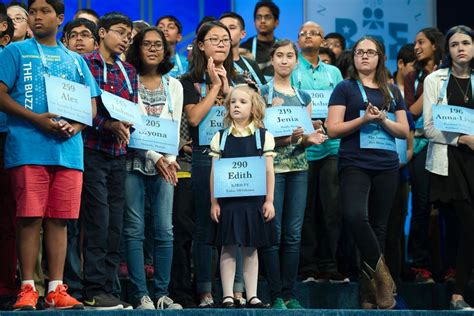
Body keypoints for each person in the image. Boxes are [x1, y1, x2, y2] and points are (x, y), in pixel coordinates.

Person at [0, 0, 100, 310]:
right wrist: (36, 118)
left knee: (60, 220)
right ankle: (28, 287)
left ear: (59, 18)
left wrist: (77, 125)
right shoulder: (14, 52)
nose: (37, 17)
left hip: (68, 151)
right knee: (29, 218)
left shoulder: (74, 59)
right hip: (28, 146)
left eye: (44, 11)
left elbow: (92, 105)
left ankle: (56, 288)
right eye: (33, 11)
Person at [326, 36, 409, 310]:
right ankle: (384, 278)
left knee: (379, 228)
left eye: (370, 52)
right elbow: (333, 128)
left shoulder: (393, 91)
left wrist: (383, 119)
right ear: (354, 57)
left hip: (386, 164)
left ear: (379, 57)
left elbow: (404, 131)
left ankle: (369, 295)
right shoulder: (345, 88)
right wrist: (363, 119)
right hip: (354, 162)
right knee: (354, 216)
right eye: (360, 52)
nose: (364, 56)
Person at [180, 20, 244, 308]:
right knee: (206, 225)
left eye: (225, 40)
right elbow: (194, 119)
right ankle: (205, 290)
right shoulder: (187, 81)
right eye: (214, 38)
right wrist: (215, 86)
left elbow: (243, 120)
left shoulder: (241, 80)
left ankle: (234, 290)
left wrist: (228, 87)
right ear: (201, 45)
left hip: (237, 157)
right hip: (204, 157)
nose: (221, 43)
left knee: (235, 225)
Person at [260, 39, 327, 309]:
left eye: (289, 56)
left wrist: (311, 138)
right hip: (272, 169)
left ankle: (290, 293)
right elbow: (259, 138)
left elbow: (305, 138)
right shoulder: (263, 94)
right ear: (272, 60)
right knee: (273, 233)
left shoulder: (303, 97)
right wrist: (288, 137)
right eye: (279, 55)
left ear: (296, 61)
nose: (285, 60)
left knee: (293, 235)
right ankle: (275, 294)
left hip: (299, 169)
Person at [123, 26, 183, 310]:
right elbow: (129, 126)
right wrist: (153, 156)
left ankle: (161, 293)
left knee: (165, 230)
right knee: (134, 229)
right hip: (133, 160)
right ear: (138, 48)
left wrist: (169, 160)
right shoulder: (127, 79)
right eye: (146, 44)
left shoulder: (175, 85)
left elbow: (174, 127)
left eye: (158, 45)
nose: (153, 49)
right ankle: (140, 294)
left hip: (166, 166)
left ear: (165, 50)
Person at [81, 12, 137, 310]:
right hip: (91, 150)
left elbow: (134, 111)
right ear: (101, 33)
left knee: (116, 223)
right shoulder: (85, 64)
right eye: (119, 32)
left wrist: (128, 125)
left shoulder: (128, 70)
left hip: (118, 154)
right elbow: (80, 108)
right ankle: (92, 289)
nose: (125, 38)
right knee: (98, 221)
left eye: (128, 34)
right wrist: (108, 123)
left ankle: (109, 287)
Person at [209, 84, 277, 308]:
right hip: (229, 202)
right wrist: (214, 202)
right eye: (233, 102)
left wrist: (269, 200)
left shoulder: (263, 137)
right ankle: (228, 295)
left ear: (254, 107)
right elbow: (214, 171)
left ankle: (252, 295)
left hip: (253, 202)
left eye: (242, 102)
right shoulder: (221, 137)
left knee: (251, 248)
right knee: (227, 247)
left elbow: (268, 170)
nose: (236, 105)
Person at [290, 21, 346, 284]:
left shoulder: (334, 72)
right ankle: (307, 267)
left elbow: (340, 105)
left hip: (331, 146)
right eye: (303, 34)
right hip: (302, 148)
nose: (308, 36)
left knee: (332, 209)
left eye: (314, 33)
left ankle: (329, 264)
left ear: (322, 40)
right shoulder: (292, 69)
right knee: (306, 209)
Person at [422, 25, 474, 310]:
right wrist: (464, 139)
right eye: (454, 44)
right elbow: (429, 127)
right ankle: (457, 293)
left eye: (466, 42)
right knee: (468, 225)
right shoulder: (435, 80)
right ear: (448, 50)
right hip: (450, 161)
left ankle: (459, 290)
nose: (460, 48)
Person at [404, 27, 444, 284]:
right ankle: (419, 266)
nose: (416, 47)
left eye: (421, 42)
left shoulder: (453, 75)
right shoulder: (413, 77)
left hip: (449, 145)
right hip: (420, 145)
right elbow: (410, 113)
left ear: (435, 45)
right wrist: (432, 87)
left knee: (449, 208)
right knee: (420, 205)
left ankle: (451, 266)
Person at [219, 12, 266, 87]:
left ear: (242, 34)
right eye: (222, 28)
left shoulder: (252, 64)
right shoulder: (214, 64)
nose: (226, 32)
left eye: (232, 28)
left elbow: (265, 94)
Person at [240, 1, 279, 80]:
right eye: (258, 17)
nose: (262, 21)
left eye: (267, 17)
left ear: (276, 22)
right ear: (254, 22)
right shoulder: (244, 48)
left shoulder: (282, 47)